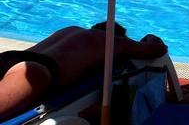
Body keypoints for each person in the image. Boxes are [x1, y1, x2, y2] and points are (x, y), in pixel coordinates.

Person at [0, 22, 167, 121]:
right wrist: (149, 39)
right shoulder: (112, 41)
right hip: (38, 70)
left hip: (9, 58)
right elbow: (157, 50)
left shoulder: (69, 30)